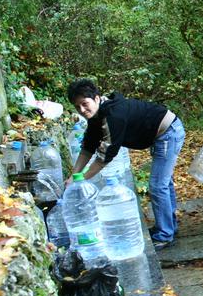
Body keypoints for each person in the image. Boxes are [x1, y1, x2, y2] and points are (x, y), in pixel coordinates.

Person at [68, 79, 186, 251]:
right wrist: (74, 174)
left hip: (168, 132)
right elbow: (88, 147)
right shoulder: (97, 116)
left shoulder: (113, 115)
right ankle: (169, 227)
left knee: (158, 185)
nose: (82, 110)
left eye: (85, 104)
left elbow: (104, 158)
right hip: (161, 133)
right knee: (163, 183)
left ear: (97, 98)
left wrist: (80, 179)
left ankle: (165, 235)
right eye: (77, 107)